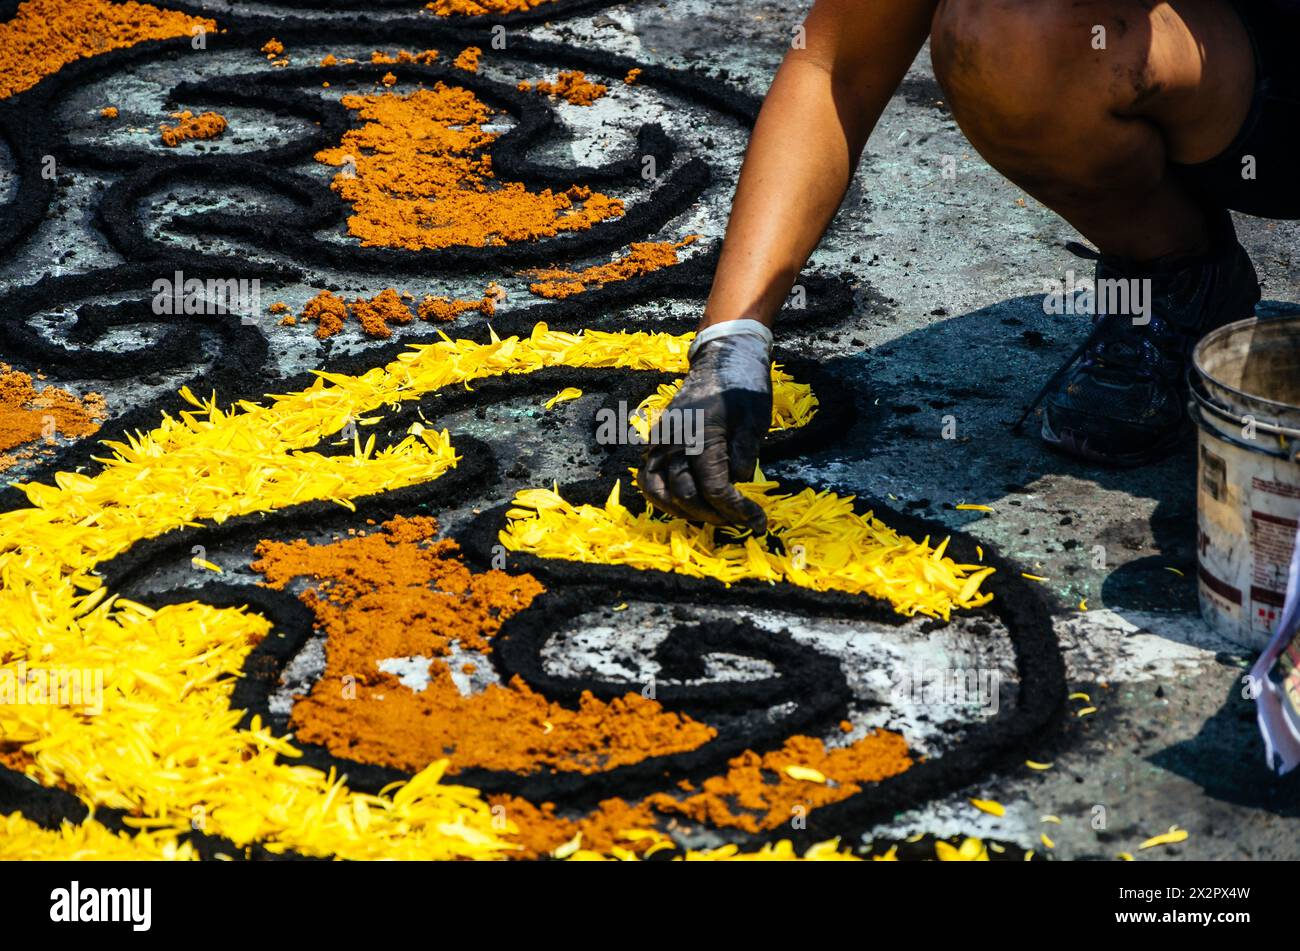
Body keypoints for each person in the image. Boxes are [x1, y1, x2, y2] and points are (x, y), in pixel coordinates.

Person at [637, 0, 1299, 535]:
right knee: (1008, 34)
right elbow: (835, 65)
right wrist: (732, 346)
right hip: (1225, 83)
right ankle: (1180, 277)